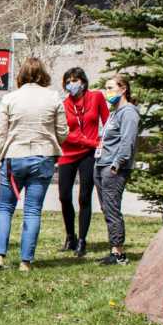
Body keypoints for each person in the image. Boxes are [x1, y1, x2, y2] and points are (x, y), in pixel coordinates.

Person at [0, 57, 66, 272]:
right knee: (33, 210)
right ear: (43, 74)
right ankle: (25, 261)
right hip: (43, 156)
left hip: (15, 157)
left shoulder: (11, 98)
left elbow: (0, 133)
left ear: (21, 75)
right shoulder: (53, 97)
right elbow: (64, 131)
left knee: (4, 208)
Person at [56, 67, 109, 257]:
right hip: (68, 153)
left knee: (84, 197)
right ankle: (70, 236)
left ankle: (81, 240)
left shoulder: (96, 97)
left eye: (75, 80)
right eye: (68, 81)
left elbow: (108, 122)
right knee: (64, 195)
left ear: (83, 82)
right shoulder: (63, 105)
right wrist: (89, 141)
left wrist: (102, 142)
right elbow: (64, 133)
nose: (72, 84)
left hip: (89, 154)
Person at [93, 74, 141, 266]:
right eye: (106, 88)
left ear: (123, 89)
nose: (108, 92)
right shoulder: (114, 112)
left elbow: (127, 140)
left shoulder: (129, 112)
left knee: (112, 208)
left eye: (111, 88)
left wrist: (117, 163)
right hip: (101, 163)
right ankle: (113, 249)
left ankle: (119, 253)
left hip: (113, 167)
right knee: (107, 208)